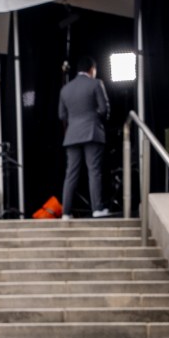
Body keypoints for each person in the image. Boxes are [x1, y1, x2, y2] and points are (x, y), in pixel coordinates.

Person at [57, 58, 113, 218]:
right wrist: (91, 116)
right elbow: (103, 109)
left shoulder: (65, 89)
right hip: (91, 132)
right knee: (94, 170)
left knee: (71, 174)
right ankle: (97, 208)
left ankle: (66, 212)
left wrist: (75, 119)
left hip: (72, 134)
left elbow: (61, 115)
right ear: (92, 69)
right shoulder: (96, 84)